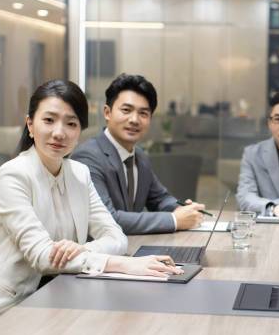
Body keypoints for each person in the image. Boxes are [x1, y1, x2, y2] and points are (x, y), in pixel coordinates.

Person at [0, 80, 181, 332]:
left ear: (80, 131)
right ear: (30, 125)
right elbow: (42, 256)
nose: (59, 132)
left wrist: (80, 248)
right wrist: (125, 264)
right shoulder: (12, 176)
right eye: (49, 120)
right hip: (3, 310)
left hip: (57, 302)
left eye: (71, 123)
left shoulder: (80, 174)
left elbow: (116, 237)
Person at [72, 73, 205, 235]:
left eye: (143, 113)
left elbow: (160, 198)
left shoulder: (140, 156)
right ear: (107, 112)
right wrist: (175, 220)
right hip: (99, 254)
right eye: (126, 110)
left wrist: (182, 208)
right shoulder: (88, 156)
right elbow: (107, 218)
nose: (134, 119)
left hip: (134, 248)